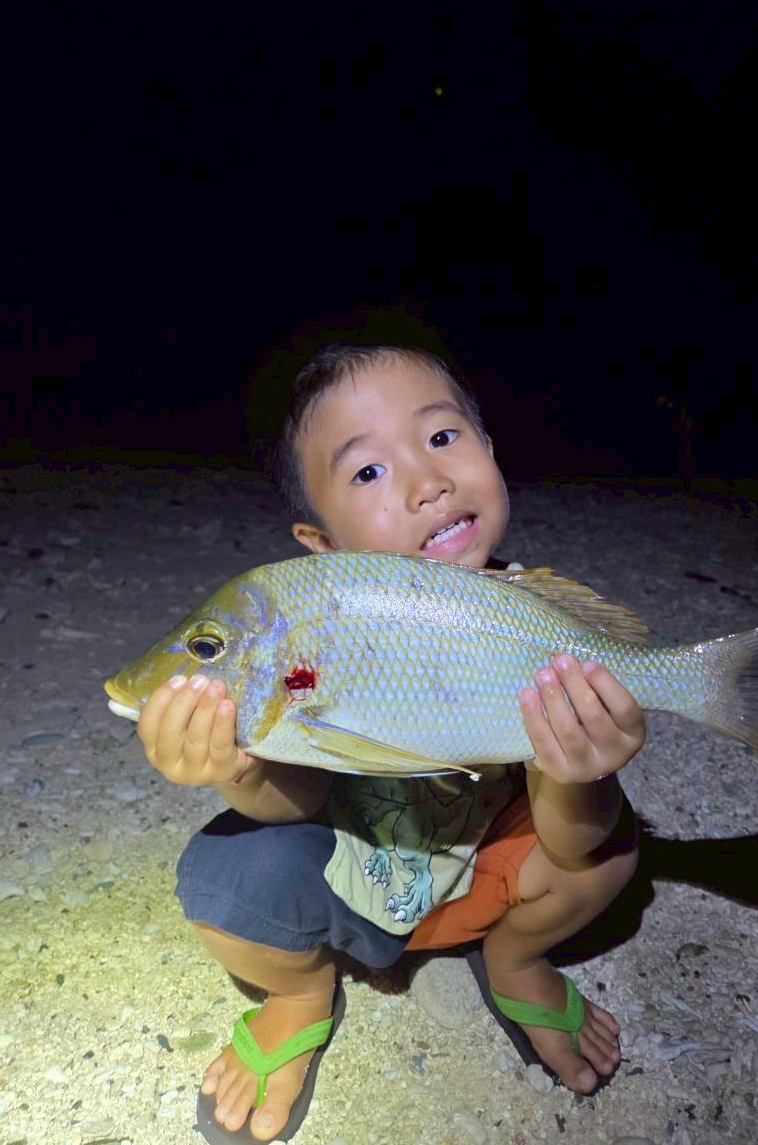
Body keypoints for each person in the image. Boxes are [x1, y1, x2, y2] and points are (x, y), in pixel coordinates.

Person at [137, 341, 646, 1143]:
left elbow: (570, 841)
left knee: (610, 851)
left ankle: (515, 960)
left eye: (442, 437)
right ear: (321, 544)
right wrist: (236, 768)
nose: (426, 481)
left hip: (490, 873)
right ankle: (300, 993)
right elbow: (295, 801)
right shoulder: (314, 632)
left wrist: (577, 770)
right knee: (221, 880)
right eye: (368, 471)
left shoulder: (538, 623)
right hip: (356, 876)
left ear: (490, 448)